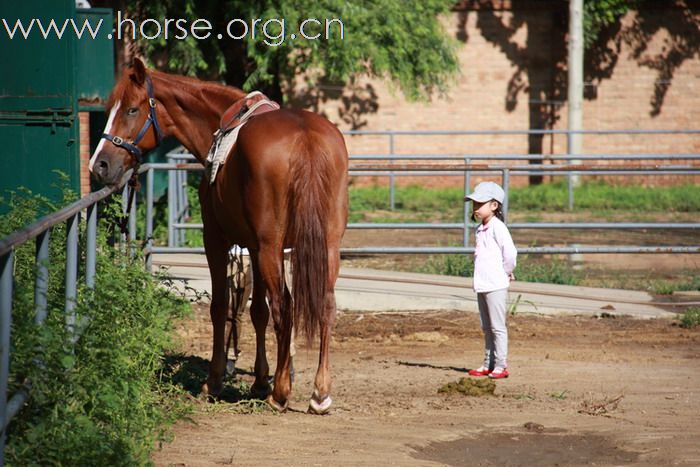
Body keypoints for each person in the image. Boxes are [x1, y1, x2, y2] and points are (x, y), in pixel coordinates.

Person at [464, 181, 517, 379]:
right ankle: (488, 362)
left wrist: (506, 271)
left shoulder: (498, 227)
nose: (476, 208)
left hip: (495, 284)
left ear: (494, 205)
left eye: (480, 203)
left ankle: (501, 364)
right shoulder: (481, 229)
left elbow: (510, 253)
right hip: (483, 283)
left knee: (497, 327)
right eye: (474, 204)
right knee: (487, 327)